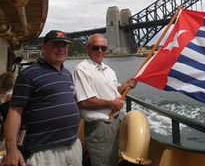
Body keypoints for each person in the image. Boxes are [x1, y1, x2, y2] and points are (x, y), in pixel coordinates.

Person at [3, 30, 82, 166]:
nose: (61, 49)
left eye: (64, 46)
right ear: (44, 47)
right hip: (44, 152)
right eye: (56, 45)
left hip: (72, 145)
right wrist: (11, 149)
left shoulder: (67, 74)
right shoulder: (29, 74)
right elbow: (14, 111)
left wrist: (78, 140)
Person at [73, 34, 137, 166]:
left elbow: (114, 91)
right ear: (88, 48)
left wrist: (125, 86)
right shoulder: (82, 70)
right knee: (102, 162)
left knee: (111, 160)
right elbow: (84, 102)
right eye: (96, 48)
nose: (100, 51)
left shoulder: (109, 70)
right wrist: (112, 104)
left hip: (114, 123)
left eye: (104, 48)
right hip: (99, 126)